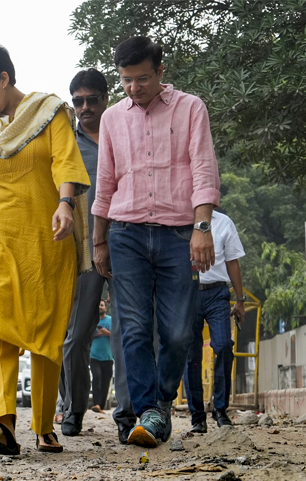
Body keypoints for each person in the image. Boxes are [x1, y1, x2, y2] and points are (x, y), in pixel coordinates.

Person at [0, 42, 92, 456]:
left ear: (4, 78)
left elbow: (65, 162)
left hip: (46, 234)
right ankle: (4, 423)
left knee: (45, 329)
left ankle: (44, 424)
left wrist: (66, 205)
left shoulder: (49, 111)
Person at [92, 36, 220, 447]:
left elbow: (203, 170)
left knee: (180, 332)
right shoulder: (112, 119)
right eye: (126, 80)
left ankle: (159, 403)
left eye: (142, 78)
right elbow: (105, 183)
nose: (134, 88)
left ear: (160, 72)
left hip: (179, 234)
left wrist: (202, 228)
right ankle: (148, 410)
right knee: (133, 329)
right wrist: (99, 242)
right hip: (125, 233)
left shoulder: (190, 108)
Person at [56, 68, 110, 436]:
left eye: (92, 99)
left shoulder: (124, 132)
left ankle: (138, 412)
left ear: (106, 99)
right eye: (78, 101)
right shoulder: (67, 145)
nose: (85, 107)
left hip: (130, 242)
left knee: (134, 333)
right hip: (86, 252)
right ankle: (74, 408)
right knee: (75, 336)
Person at [183, 209, 246, 432]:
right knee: (191, 355)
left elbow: (233, 262)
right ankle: (197, 416)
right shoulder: (180, 219)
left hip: (217, 294)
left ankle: (220, 409)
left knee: (224, 346)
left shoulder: (224, 222)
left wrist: (239, 299)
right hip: (187, 293)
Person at [90, 301, 113, 412]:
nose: (100, 307)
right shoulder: (92, 320)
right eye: (98, 305)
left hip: (108, 357)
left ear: (106, 308)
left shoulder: (110, 320)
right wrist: (95, 334)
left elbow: (118, 335)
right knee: (97, 378)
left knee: (105, 382)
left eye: (102, 305)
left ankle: (101, 405)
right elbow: (84, 335)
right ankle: (97, 404)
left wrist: (107, 332)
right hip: (93, 356)